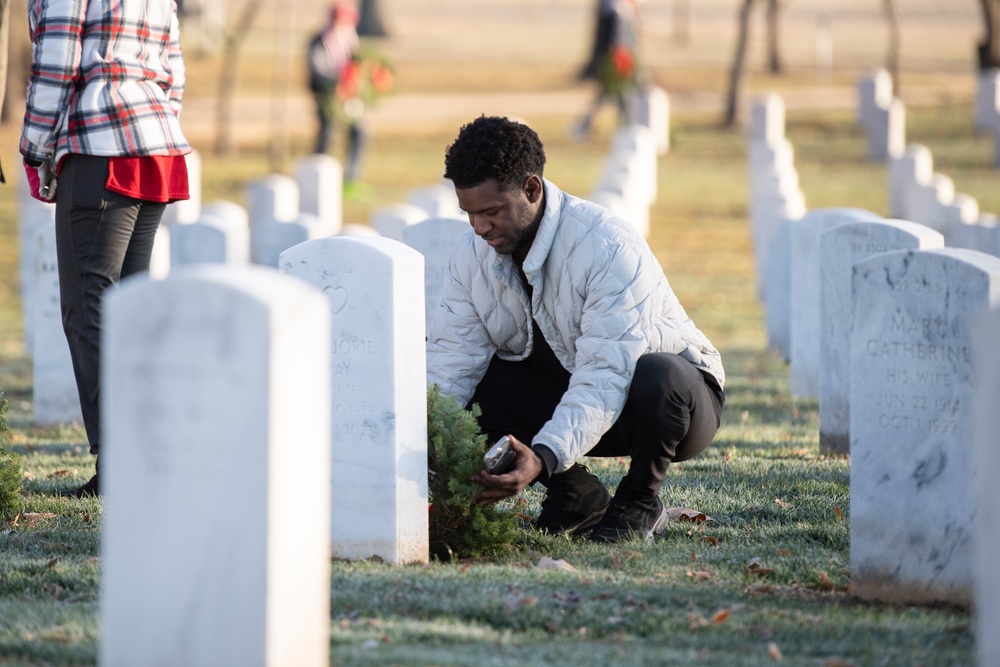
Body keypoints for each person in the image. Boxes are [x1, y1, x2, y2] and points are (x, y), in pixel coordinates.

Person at [427, 116, 725, 544]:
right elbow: (449, 362)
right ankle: (576, 494)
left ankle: (639, 499)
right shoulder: (470, 256)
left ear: (531, 189)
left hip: (670, 409)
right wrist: (416, 447)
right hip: (566, 392)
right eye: (470, 214)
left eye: (491, 212)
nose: (479, 227)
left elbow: (607, 372)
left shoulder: (607, 246)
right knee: (470, 385)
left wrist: (543, 457)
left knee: (660, 376)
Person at [20, 0, 191, 497]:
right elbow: (173, 65)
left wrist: (35, 147)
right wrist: (155, 118)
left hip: (101, 144)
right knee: (128, 310)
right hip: (156, 142)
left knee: (88, 305)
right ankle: (144, 454)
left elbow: (57, 61)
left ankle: (120, 462)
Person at [307, 3, 367, 182]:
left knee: (358, 133)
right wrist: (334, 84)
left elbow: (358, 67)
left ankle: (352, 176)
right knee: (326, 135)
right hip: (326, 98)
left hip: (349, 98)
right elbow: (316, 68)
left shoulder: (351, 41)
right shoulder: (319, 40)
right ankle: (316, 176)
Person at [573, 0, 640, 139]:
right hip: (617, 62)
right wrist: (620, 63)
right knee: (620, 95)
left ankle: (585, 126)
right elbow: (617, 42)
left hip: (617, 61)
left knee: (608, 97)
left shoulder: (617, 10)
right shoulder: (617, 11)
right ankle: (630, 127)